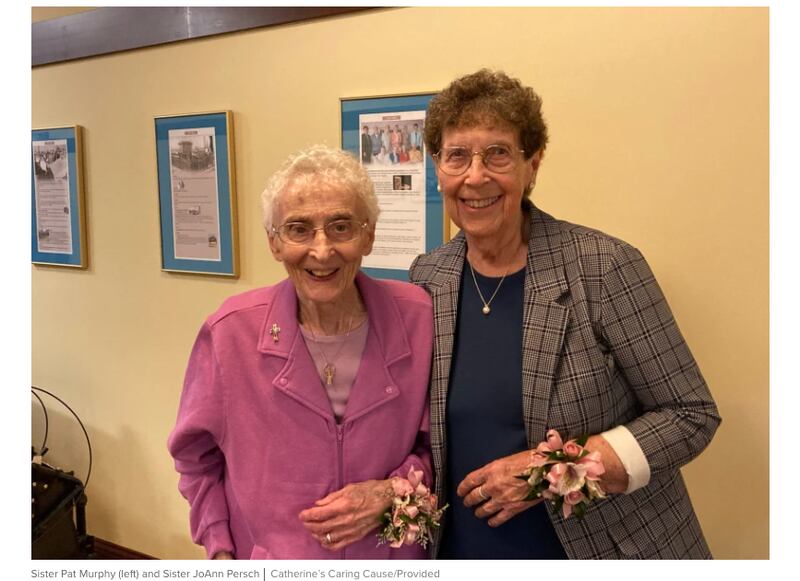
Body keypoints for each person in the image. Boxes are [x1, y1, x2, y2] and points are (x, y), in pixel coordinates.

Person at [408, 69, 721, 559]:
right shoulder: (427, 278)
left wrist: (545, 474)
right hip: (468, 550)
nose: (475, 176)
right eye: (457, 156)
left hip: (600, 550)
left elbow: (691, 416)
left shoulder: (602, 267)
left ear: (533, 165)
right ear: (437, 168)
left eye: (498, 154)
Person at [168, 145, 434, 559]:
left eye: (341, 227)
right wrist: (219, 548)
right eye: (299, 229)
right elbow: (194, 458)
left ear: (369, 235)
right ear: (275, 243)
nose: (322, 250)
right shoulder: (229, 334)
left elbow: (441, 447)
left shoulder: (419, 320)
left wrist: (390, 490)